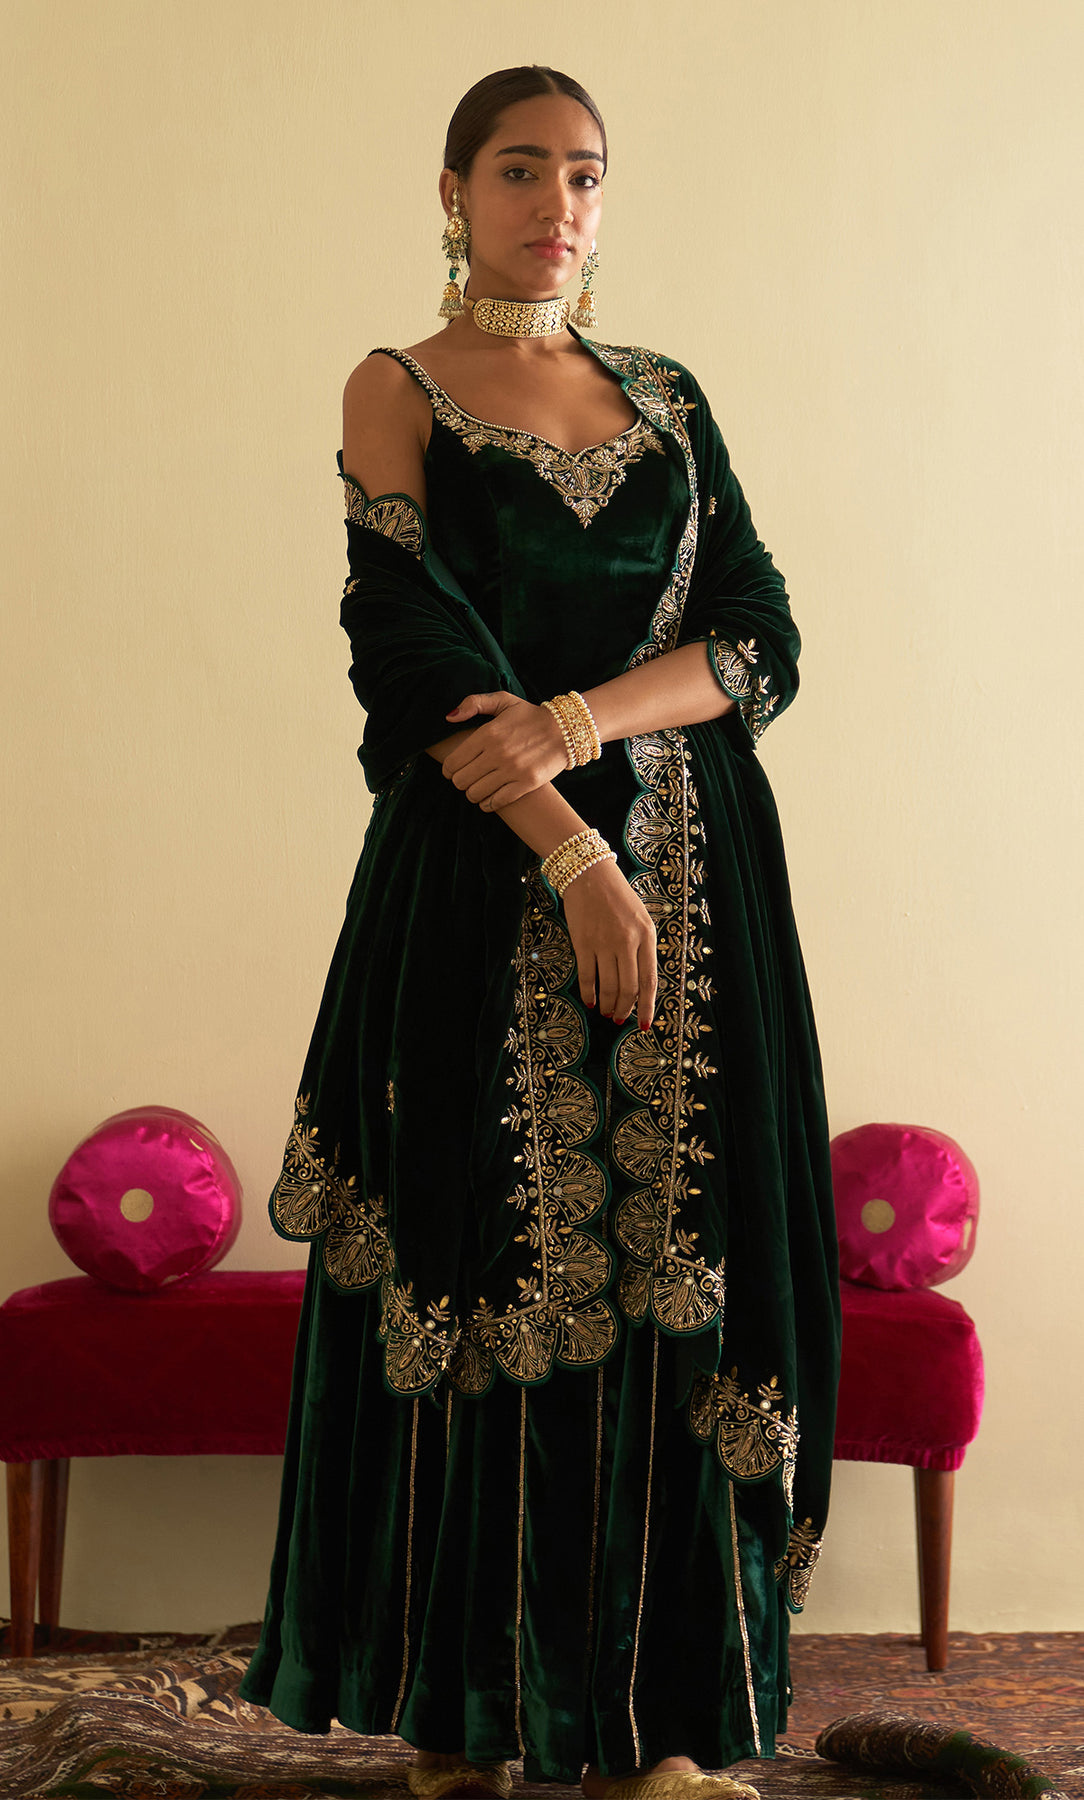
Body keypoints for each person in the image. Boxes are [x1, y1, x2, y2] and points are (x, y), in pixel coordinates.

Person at [239, 64, 840, 1800]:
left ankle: (663, 1733)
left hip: (705, 892)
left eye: (584, 174)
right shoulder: (399, 385)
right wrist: (573, 849)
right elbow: (409, 644)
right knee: (486, 1253)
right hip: (477, 886)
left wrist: (580, 722)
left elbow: (758, 636)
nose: (556, 204)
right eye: (520, 169)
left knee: (682, 1271)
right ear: (454, 192)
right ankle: (467, 1720)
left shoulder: (667, 397)